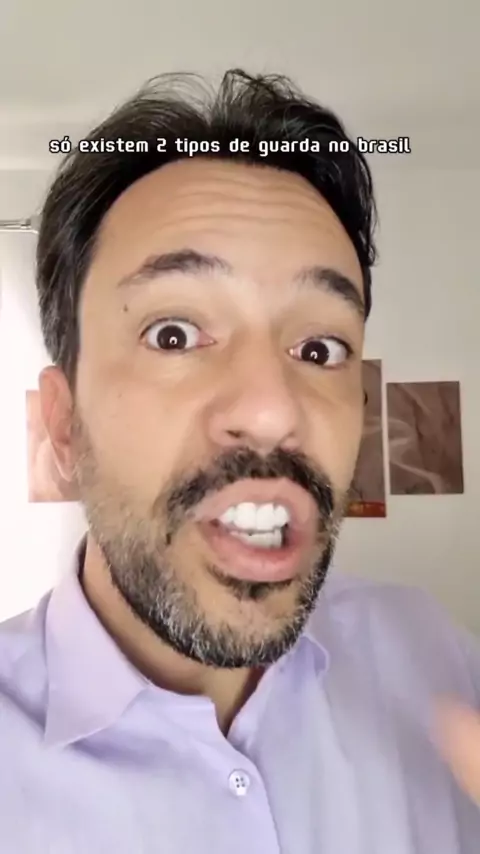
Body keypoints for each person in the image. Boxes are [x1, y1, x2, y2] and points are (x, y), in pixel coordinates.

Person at [1, 68, 479, 852]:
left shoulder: (431, 656)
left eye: (319, 348)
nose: (272, 409)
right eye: (174, 335)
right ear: (62, 425)